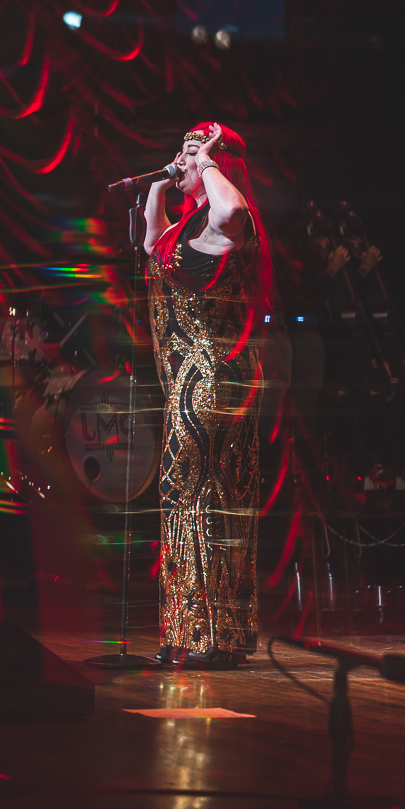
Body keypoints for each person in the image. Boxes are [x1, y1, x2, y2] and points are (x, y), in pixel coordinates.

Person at [144, 121, 272, 668]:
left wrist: (213, 161)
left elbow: (232, 213)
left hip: (210, 378)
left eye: (193, 152)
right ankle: (205, 631)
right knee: (194, 497)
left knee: (199, 496)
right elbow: (151, 246)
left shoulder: (229, 220)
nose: (185, 159)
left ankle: (203, 634)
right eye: (184, 150)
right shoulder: (189, 225)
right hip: (190, 379)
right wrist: (158, 187)